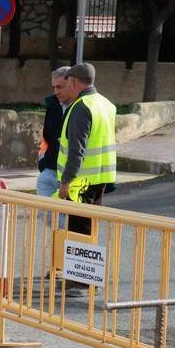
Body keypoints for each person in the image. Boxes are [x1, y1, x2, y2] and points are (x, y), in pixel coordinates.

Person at [56, 62, 117, 236]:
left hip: (80, 184)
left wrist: (66, 182)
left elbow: (77, 150)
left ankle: (75, 264)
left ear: (74, 82)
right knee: (89, 232)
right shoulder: (107, 105)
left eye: (67, 84)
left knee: (78, 235)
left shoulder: (82, 106)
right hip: (100, 180)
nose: (66, 88)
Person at [37, 67, 71, 200]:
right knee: (47, 218)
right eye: (54, 87)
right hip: (49, 170)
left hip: (70, 176)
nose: (56, 91)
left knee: (64, 219)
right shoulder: (53, 106)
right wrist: (43, 165)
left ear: (72, 84)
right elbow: (47, 137)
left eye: (60, 87)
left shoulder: (81, 108)